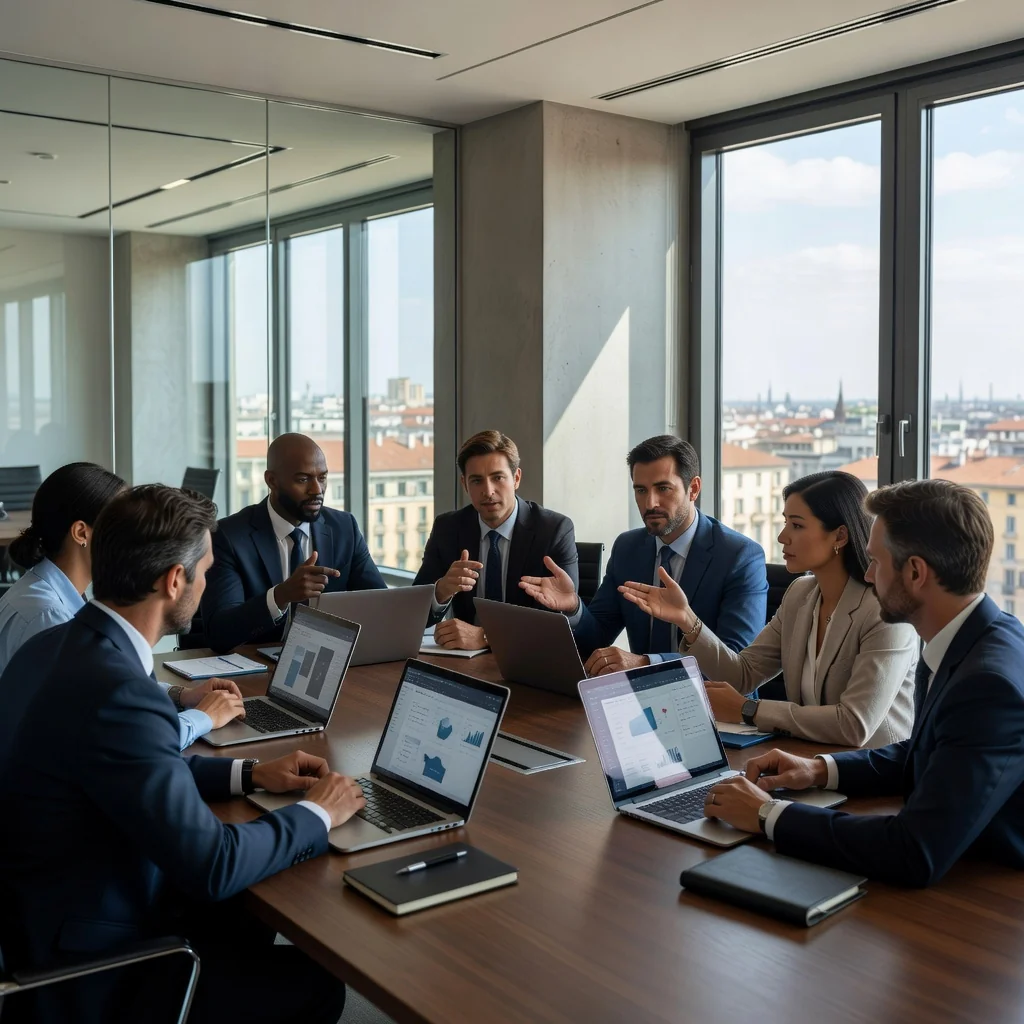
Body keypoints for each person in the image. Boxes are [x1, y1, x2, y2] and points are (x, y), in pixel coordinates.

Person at [0, 484, 365, 1024]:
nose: (208, 581)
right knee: (316, 986)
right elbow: (212, 865)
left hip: (44, 911)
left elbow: (126, 765)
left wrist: (249, 774)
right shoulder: (119, 689)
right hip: (88, 969)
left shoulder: (54, 647)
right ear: (175, 580)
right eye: (206, 570)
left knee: (248, 920)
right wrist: (320, 812)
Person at [702, 479, 1024, 887]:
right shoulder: (970, 638)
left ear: (915, 572)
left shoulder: (987, 686)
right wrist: (819, 769)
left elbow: (912, 850)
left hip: (987, 900)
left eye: (875, 561)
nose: (868, 574)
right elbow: (923, 752)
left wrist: (768, 815)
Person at [619, 471, 918, 747]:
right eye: (785, 521)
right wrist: (688, 620)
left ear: (839, 536)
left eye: (797, 525)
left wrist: (749, 709)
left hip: (878, 780)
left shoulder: (885, 613)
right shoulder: (801, 594)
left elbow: (855, 725)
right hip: (811, 763)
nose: (782, 536)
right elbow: (743, 675)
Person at [0, 462, 242, 748]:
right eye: (117, 522)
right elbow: (119, 736)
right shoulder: (49, 616)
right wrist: (203, 717)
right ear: (81, 533)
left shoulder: (59, 595)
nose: (132, 533)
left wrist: (179, 695)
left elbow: (106, 694)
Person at [520, 435, 766, 676]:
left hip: (718, 704)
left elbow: (734, 664)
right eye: (641, 490)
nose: (650, 503)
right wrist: (574, 608)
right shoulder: (628, 548)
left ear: (693, 489)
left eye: (663, 488)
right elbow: (597, 637)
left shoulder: (739, 557)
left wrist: (645, 663)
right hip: (644, 701)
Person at [202, 433, 385, 652]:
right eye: (303, 479)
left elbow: (381, 605)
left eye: (322, 477)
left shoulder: (344, 528)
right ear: (272, 481)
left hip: (328, 660)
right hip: (255, 668)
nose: (317, 490)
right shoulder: (228, 536)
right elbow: (219, 631)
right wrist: (281, 595)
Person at [413, 430, 578, 650]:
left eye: (498, 478)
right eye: (477, 481)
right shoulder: (448, 528)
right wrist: (441, 591)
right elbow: (413, 615)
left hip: (528, 659)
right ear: (465, 484)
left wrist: (485, 637)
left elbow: (560, 626)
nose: (488, 491)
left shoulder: (553, 530)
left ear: (516, 478)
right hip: (464, 661)